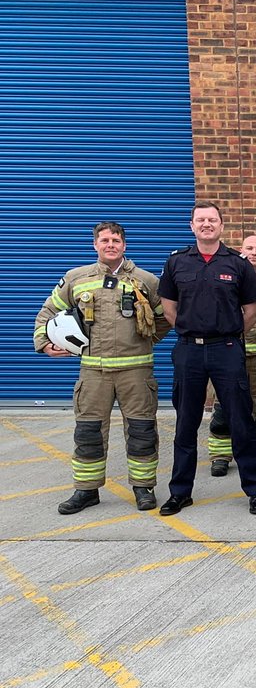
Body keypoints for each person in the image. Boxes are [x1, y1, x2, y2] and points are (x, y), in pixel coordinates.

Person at [34, 220, 169, 515]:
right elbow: (48, 311)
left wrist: (148, 339)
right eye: (105, 240)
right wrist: (45, 342)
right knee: (88, 432)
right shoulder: (76, 278)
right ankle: (86, 490)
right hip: (93, 372)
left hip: (137, 371)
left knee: (142, 430)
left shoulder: (146, 281)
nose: (111, 245)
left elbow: (166, 316)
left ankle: (143, 487)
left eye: (116, 240)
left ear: (125, 245)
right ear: (95, 244)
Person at [157, 203, 256, 515]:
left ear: (222, 225)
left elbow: (252, 311)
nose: (207, 224)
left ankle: (255, 491)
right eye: (200, 220)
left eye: (212, 220)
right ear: (191, 225)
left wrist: (228, 335)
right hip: (189, 350)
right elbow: (168, 309)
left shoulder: (238, 264)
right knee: (185, 424)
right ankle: (180, 492)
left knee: (241, 421)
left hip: (227, 350)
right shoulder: (177, 262)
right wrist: (194, 332)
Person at [207, 235, 256, 476]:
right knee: (223, 407)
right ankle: (220, 455)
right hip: (230, 351)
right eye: (249, 248)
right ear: (241, 250)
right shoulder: (228, 278)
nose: (254, 253)